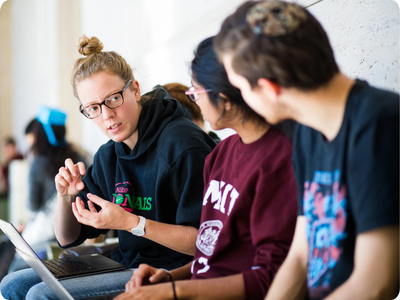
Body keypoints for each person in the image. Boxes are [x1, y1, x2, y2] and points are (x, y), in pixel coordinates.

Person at [0, 35, 215, 300]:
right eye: (92, 108)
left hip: (172, 269)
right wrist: (65, 198)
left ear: (135, 89)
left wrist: (131, 222)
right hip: (126, 261)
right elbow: (69, 238)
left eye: (113, 98)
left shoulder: (182, 145)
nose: (106, 116)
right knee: (12, 284)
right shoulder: (109, 155)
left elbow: (205, 243)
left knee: (41, 295)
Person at [213, 1, 399, 299]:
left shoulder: (380, 123)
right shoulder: (308, 131)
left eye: (241, 88)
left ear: (269, 89)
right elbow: (301, 255)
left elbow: (375, 283)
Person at [115, 36, 297, 300]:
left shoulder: (279, 158)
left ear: (224, 95)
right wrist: (166, 279)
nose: (193, 100)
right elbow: (211, 258)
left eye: (196, 91)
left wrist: (176, 292)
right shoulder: (221, 154)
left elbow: (270, 276)